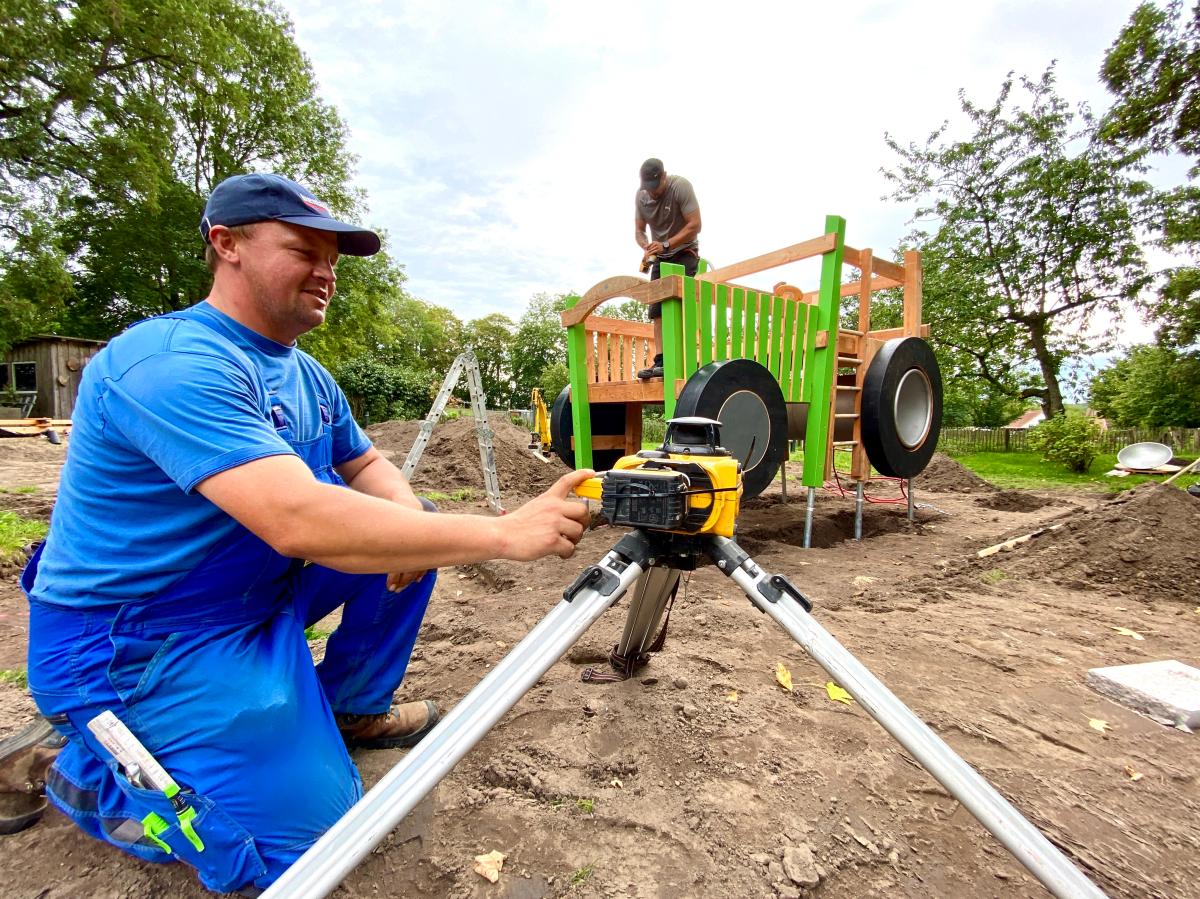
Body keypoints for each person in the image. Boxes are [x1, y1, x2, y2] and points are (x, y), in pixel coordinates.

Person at [0, 173, 593, 894]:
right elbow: (296, 519)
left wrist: (417, 528)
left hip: (247, 598)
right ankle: (77, 766)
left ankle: (349, 708)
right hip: (134, 641)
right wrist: (503, 532)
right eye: (303, 250)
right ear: (227, 245)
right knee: (308, 844)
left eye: (334, 261)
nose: (326, 273)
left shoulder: (307, 376)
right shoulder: (168, 363)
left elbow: (367, 463)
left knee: (416, 529)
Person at [634, 158, 702, 379]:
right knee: (657, 311)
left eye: (656, 187)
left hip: (684, 252)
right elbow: (639, 230)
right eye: (648, 188)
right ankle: (661, 361)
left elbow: (695, 225)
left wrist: (667, 243)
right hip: (660, 257)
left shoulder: (680, 187)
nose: (652, 193)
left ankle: (683, 358)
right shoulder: (642, 196)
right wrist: (645, 245)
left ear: (664, 176)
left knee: (679, 305)